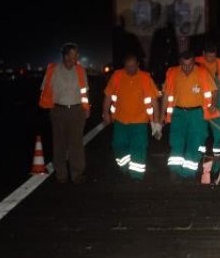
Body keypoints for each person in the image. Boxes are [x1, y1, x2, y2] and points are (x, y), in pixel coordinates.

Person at [161, 51, 220, 181]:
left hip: (197, 114)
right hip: (179, 113)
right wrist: (161, 117)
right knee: (176, 141)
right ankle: (174, 171)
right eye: (184, 65)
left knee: (195, 142)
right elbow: (165, 96)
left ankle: (188, 173)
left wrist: (213, 105)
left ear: (194, 62)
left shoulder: (202, 72)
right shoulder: (173, 73)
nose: (187, 68)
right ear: (180, 63)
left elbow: (214, 91)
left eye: (190, 65)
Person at [102, 54, 161, 181]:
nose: (130, 69)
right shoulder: (117, 76)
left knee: (139, 147)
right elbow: (108, 95)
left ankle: (136, 176)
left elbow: (154, 100)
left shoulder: (145, 78)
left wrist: (156, 122)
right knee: (118, 145)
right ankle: (124, 167)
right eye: (127, 66)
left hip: (139, 121)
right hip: (120, 120)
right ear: (124, 66)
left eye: (133, 66)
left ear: (138, 64)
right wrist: (105, 113)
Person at [39, 43, 91, 184]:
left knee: (76, 144)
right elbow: (45, 89)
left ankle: (77, 174)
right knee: (59, 144)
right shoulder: (53, 70)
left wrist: (86, 108)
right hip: (58, 111)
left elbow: (84, 92)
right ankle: (61, 174)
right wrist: (49, 107)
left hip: (76, 110)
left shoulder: (80, 70)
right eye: (74, 55)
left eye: (77, 55)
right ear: (66, 56)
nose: (76, 58)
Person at [195, 41, 220, 174]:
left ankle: (218, 168)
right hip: (201, 102)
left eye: (213, 56)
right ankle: (198, 163)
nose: (211, 59)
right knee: (200, 134)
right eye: (208, 56)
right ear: (203, 54)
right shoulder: (196, 62)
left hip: (218, 103)